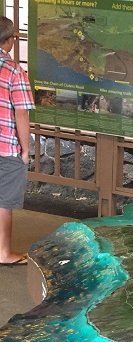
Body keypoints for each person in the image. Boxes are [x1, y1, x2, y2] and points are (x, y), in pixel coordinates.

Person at [0, 16, 34, 266]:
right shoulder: (14, 71)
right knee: (4, 201)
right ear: (9, 41)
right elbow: (21, 113)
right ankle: (3, 252)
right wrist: (25, 150)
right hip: (6, 146)